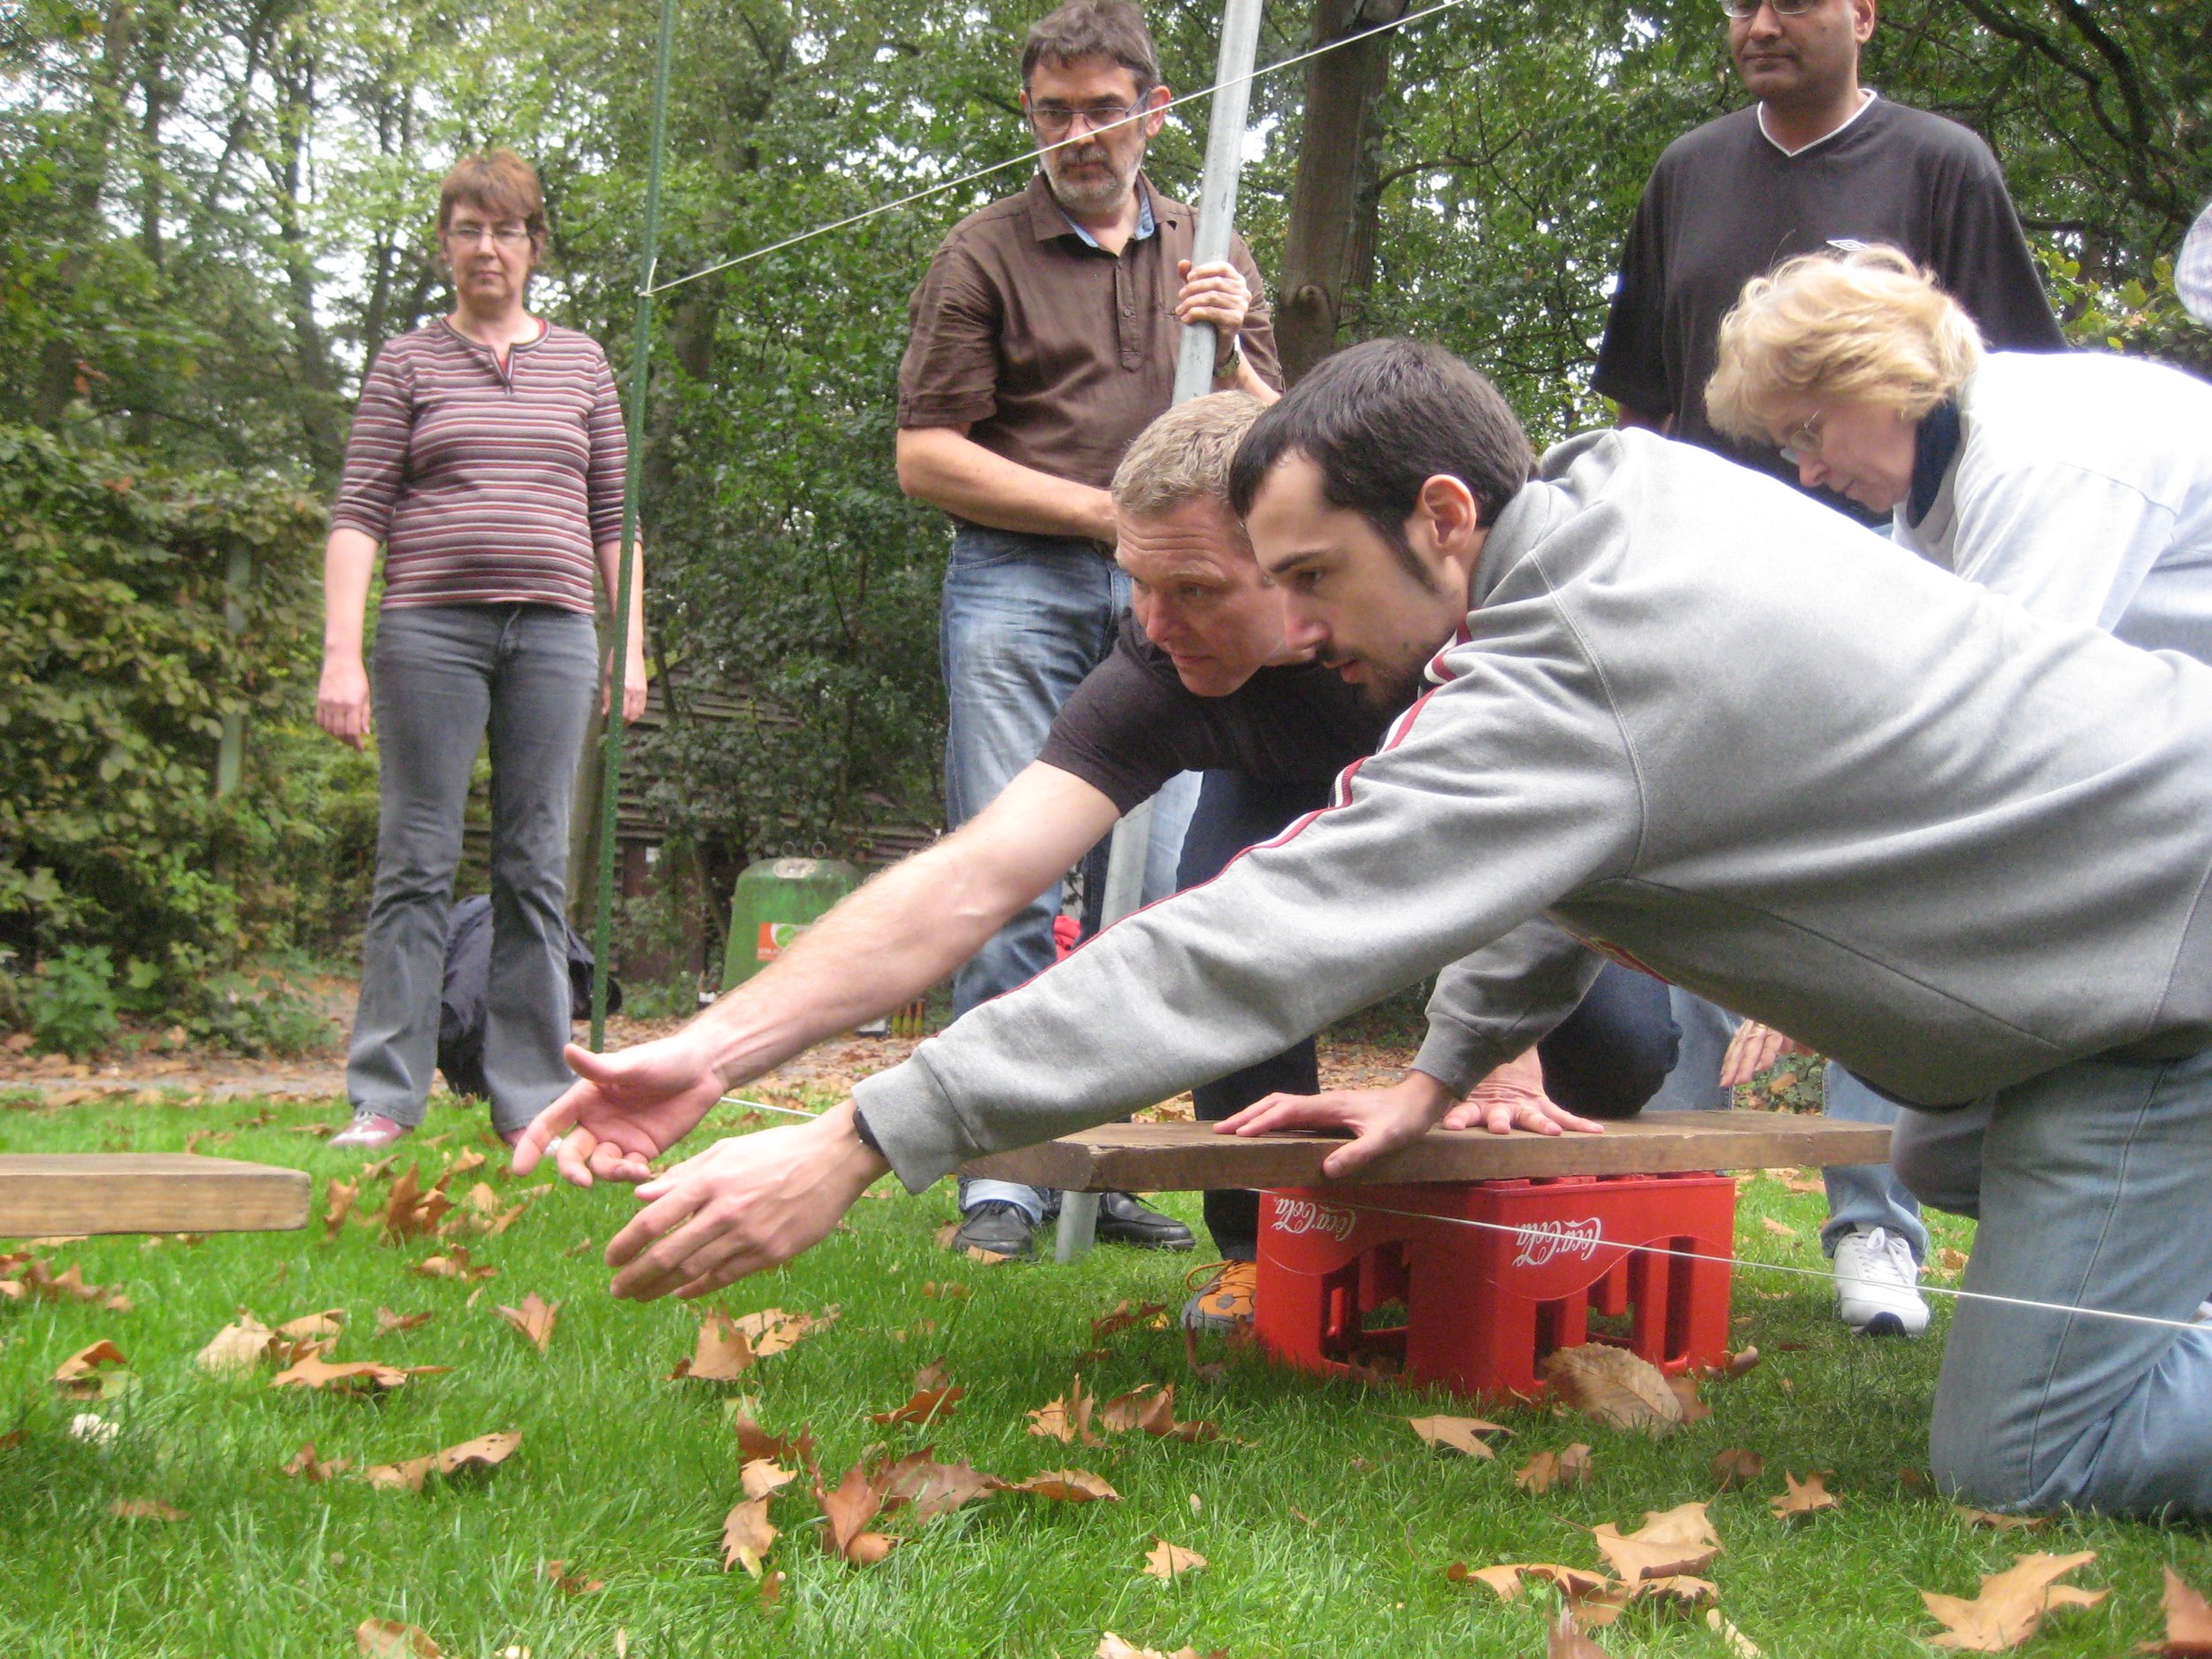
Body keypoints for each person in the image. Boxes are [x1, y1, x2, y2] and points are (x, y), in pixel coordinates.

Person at [572, 340, 2212, 1518]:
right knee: (1941, 1163)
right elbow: (1578, 858)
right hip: (2110, 976)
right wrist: (1437, 1079)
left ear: (1440, 517)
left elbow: (1249, 941)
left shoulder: (1569, 675)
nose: (1297, 627)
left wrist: (866, 1133)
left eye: (1313, 577)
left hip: (2158, 987)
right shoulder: (1620, 505)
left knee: (2028, 1466)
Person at [510, 394, 1678, 1306]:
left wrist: (1496, 1056)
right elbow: (975, 876)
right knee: (1223, 930)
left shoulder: (1440, 623)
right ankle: (1255, 1256)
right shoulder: (1157, 664)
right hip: (1280, 803)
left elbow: (1541, 836)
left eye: (1199, 588)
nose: (1156, 626)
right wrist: (712, 1048)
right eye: (1137, 584)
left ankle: (1536, 1227)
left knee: (1625, 1042)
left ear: (1296, 554)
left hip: (1505, 833)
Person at [1590, 0, 2066, 1333]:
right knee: (1686, 888)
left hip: (1892, 601)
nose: (1758, 22)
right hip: (1705, 595)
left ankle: (1877, 1230)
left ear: (1863, 12)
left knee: (1870, 893)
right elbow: (1643, 404)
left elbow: (2008, 388)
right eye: (1736, 1)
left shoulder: (1941, 164)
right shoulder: (1688, 171)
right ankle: (1676, 1209)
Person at [1702, 242, 2212, 1238]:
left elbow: (1981, 753)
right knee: (1939, 1149)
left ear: (1882, 375)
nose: (1806, 468)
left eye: (1809, 429)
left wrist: (1802, 957)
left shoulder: (2044, 457)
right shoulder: (1938, 498)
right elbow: (1885, 726)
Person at [895, 0, 1283, 1255]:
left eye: (1102, 108)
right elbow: (925, 456)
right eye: (1053, 111)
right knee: (1013, 877)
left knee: (1149, 893)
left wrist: (1230, 352)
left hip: (1177, 602)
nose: (1077, 133)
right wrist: (1105, 511)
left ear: (1154, 111)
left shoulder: (1212, 248)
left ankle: (1093, 1167)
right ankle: (1002, 1177)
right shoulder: (984, 252)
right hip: (1016, 582)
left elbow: (1284, 449)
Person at [319, 149, 647, 1152]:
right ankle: (384, 1097)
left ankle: (530, 1104)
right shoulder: (405, 362)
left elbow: (615, 517)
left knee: (533, 868)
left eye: (506, 230)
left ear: (534, 246)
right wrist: (342, 652)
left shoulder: (582, 362)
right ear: (445, 245)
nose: (487, 247)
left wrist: (626, 646)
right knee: (414, 862)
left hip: (553, 634)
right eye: (468, 228)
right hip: (429, 629)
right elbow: (359, 509)